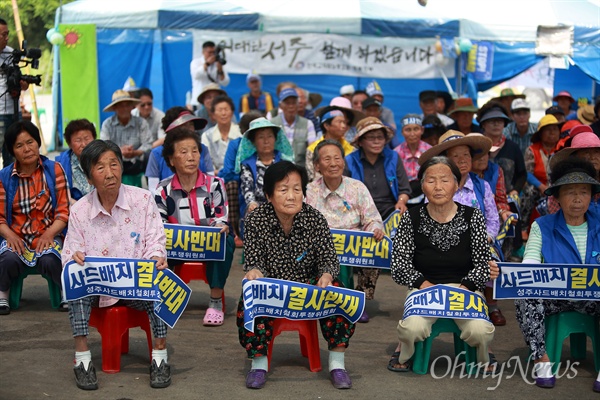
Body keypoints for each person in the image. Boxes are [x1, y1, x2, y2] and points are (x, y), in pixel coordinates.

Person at [237, 161, 356, 390]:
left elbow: (329, 258)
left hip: (309, 287)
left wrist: (326, 275)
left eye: (297, 189)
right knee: (250, 292)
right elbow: (253, 259)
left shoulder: (315, 219)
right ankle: (259, 365)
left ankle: (337, 365)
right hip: (273, 287)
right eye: (283, 190)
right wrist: (254, 271)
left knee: (338, 289)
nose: (291, 196)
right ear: (269, 195)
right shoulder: (255, 220)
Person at [62, 140, 170, 390]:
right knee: (76, 281)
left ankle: (160, 356)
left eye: (114, 164)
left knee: (160, 283)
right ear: (89, 178)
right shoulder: (79, 210)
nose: (110, 173)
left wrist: (155, 257)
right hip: (99, 290)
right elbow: (70, 251)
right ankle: (82, 358)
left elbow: (156, 240)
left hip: (135, 287)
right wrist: (75, 257)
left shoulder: (143, 200)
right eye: (100, 168)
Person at [388, 156, 495, 372]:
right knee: (411, 329)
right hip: (424, 289)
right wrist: (424, 285)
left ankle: (483, 358)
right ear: (422, 186)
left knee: (481, 331)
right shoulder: (411, 217)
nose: (438, 187)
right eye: (431, 180)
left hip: (464, 289)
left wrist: (466, 289)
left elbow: (483, 263)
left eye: (445, 180)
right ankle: (405, 353)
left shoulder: (472, 216)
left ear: (456, 185)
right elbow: (399, 265)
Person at [515, 158, 600, 391]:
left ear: (592, 196)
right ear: (557, 198)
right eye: (570, 192)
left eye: (584, 192)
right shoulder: (542, 225)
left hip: (594, 298)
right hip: (556, 297)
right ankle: (541, 358)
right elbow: (530, 261)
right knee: (525, 294)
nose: (577, 199)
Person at [155, 127, 234, 326]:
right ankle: (168, 298)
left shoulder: (215, 184)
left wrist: (220, 227)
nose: (191, 157)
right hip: (176, 246)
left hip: (207, 245)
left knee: (226, 241)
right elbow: (159, 224)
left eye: (195, 151)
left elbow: (220, 217)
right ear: (172, 160)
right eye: (183, 152)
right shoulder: (163, 189)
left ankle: (215, 302)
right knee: (154, 246)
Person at [307, 139, 385, 322]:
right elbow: (305, 222)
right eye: (326, 159)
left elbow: (372, 218)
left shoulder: (357, 187)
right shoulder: (310, 190)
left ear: (343, 161)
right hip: (323, 242)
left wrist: (375, 229)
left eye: (337, 158)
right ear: (317, 165)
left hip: (354, 243)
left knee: (374, 246)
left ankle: (359, 299)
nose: (333, 163)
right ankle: (326, 297)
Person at [0, 121, 70, 315]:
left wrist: (49, 234)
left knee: (51, 259)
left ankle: (65, 292)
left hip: (49, 233)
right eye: (19, 145)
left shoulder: (54, 170)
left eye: (30, 142)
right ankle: (2, 294)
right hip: (17, 237)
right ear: (12, 151)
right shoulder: (4, 176)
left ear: (38, 142)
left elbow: (64, 212)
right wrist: (10, 237)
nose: (27, 149)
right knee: (7, 259)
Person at [418, 130, 500, 241]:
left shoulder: (482, 186)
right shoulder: (435, 188)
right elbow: (430, 222)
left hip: (479, 244)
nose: (462, 160)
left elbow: (493, 220)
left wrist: (485, 239)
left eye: (466, 155)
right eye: (455, 156)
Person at [145, 107, 210, 195]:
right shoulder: (156, 153)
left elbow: (210, 179)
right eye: (184, 124)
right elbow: (153, 189)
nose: (188, 129)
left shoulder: (203, 149)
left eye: (191, 124)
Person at [236, 117, 293, 218]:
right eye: (261, 137)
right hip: (257, 208)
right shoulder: (247, 164)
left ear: (275, 139)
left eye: (270, 136)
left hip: (283, 206)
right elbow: (247, 188)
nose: (266, 141)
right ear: (253, 141)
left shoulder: (285, 162)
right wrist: (252, 204)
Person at [100, 89, 152, 187]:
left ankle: (151, 187)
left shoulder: (141, 123)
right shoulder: (108, 124)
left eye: (127, 105)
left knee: (149, 155)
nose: (124, 108)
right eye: (120, 106)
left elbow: (148, 143)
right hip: (114, 160)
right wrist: (120, 150)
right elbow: (104, 145)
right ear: (115, 108)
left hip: (136, 162)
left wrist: (135, 152)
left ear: (131, 107)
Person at [306, 97, 365, 181]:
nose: (344, 126)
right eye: (339, 122)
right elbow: (312, 176)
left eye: (344, 122)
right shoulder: (312, 149)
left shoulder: (351, 149)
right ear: (326, 126)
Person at [520, 114, 561, 232]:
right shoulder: (532, 149)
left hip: (557, 186)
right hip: (538, 187)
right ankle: (523, 228)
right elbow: (527, 173)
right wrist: (541, 186)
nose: (552, 132)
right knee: (529, 191)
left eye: (555, 129)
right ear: (541, 133)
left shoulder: (562, 149)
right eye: (548, 130)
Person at [0, 18, 29, 167]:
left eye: (7, 34)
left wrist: (23, 85)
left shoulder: (12, 53)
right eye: (3, 35)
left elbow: (19, 79)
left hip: (14, 111)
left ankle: (10, 188)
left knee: (13, 157)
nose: (6, 38)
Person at [269, 88, 316, 167]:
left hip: (300, 168)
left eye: (294, 103)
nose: (291, 106)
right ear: (280, 106)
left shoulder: (308, 123)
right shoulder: (272, 123)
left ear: (298, 105)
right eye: (287, 103)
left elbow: (312, 149)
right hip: (277, 167)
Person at [55, 119, 97, 203]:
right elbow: (60, 194)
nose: (84, 144)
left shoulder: (102, 157)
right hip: (73, 208)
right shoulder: (60, 164)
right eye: (78, 140)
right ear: (69, 144)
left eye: (87, 138)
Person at [394, 114, 432, 205]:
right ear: (402, 132)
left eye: (416, 129)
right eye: (408, 130)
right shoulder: (396, 153)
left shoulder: (430, 151)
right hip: (402, 197)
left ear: (422, 130)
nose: (412, 134)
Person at [201, 95, 241, 174]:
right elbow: (206, 161)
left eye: (226, 109)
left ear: (232, 112)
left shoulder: (240, 133)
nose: (223, 113)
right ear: (213, 115)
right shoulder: (207, 135)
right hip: (215, 178)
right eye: (219, 110)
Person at [190, 41, 229, 109]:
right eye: (209, 52)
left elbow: (225, 82)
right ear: (203, 52)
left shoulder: (218, 63)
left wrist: (220, 70)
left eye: (213, 52)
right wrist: (207, 64)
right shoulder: (196, 62)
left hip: (215, 102)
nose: (212, 55)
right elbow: (196, 75)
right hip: (199, 100)